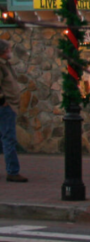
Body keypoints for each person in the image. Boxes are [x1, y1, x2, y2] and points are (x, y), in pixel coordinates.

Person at [0, 40, 26, 183]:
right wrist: (3, 101)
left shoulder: (6, 65)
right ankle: (13, 171)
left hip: (10, 105)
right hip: (5, 106)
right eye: (9, 49)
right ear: (4, 51)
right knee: (9, 138)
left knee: (5, 138)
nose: (11, 51)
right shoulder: (1, 66)